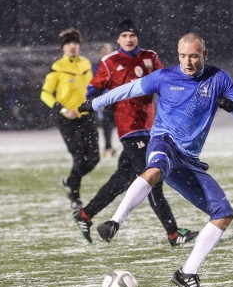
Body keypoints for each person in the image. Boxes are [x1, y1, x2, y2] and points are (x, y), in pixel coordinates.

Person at [79, 33, 233, 287]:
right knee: (153, 170)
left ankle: (187, 273)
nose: (188, 61)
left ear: (204, 54)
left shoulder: (219, 79)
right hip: (164, 142)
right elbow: (127, 89)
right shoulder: (165, 76)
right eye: (183, 56)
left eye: (194, 56)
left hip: (189, 161)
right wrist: (95, 102)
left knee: (223, 214)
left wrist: (232, 106)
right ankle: (115, 221)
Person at [73, 20, 196, 246]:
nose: (129, 39)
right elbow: (93, 89)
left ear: (137, 37)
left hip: (151, 128)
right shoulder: (109, 62)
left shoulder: (150, 57)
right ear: (118, 40)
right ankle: (173, 233)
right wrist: (90, 104)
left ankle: (85, 215)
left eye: (132, 35)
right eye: (124, 36)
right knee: (152, 179)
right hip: (130, 129)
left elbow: (167, 83)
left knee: (122, 179)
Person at [41, 28, 100, 210]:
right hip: (67, 120)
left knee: (94, 158)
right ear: (63, 47)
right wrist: (64, 110)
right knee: (78, 156)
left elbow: (91, 87)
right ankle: (74, 196)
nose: (72, 46)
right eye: (68, 43)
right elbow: (45, 94)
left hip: (86, 116)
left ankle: (70, 181)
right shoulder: (57, 67)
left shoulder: (86, 64)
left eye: (75, 43)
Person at [89, 42, 116, 158]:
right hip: (106, 99)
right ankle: (108, 147)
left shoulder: (117, 65)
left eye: (108, 51)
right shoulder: (97, 67)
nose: (106, 53)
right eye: (104, 51)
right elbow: (95, 85)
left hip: (118, 98)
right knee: (107, 124)